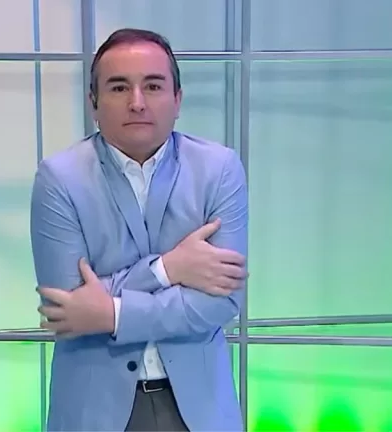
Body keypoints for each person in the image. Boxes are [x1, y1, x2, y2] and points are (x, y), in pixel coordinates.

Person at [30, 28, 248, 432]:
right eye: (118, 88)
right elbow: (66, 307)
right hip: (93, 411)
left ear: (177, 99)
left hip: (198, 409)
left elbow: (221, 302)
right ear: (93, 103)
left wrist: (111, 313)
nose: (137, 102)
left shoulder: (219, 170)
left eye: (153, 85)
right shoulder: (59, 178)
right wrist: (168, 269)